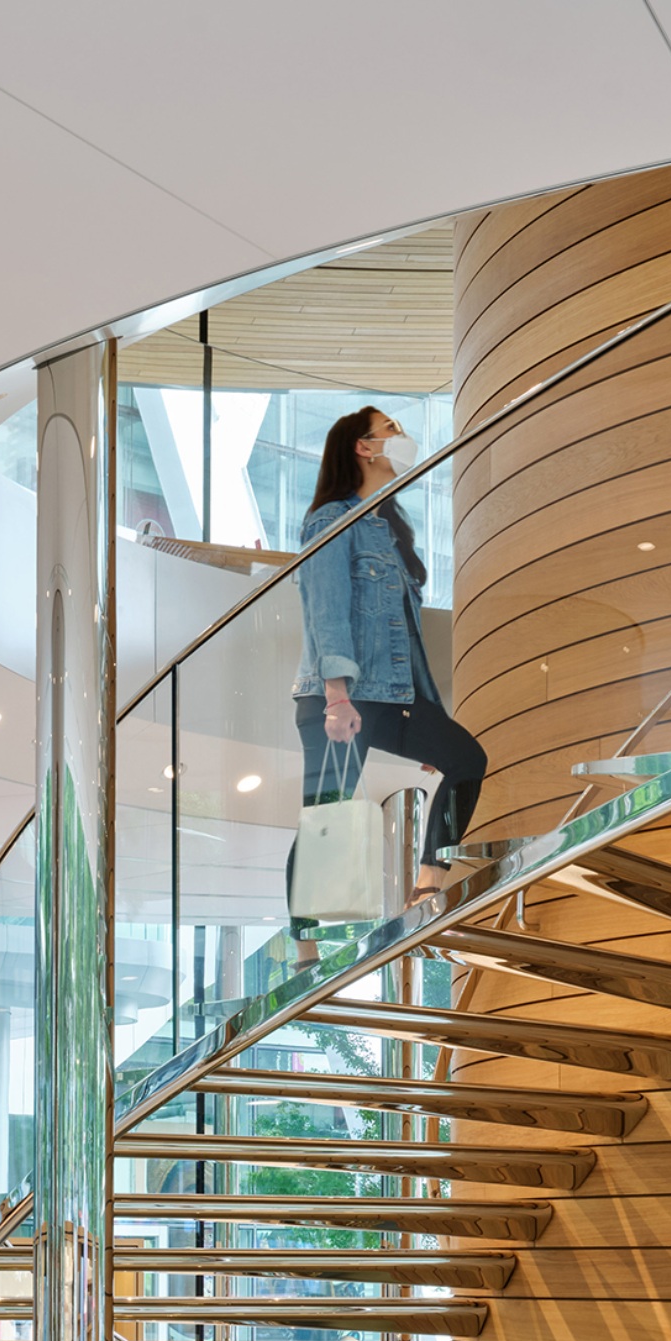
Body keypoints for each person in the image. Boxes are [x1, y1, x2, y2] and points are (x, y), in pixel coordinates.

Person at [291, 405, 487, 947]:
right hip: (342, 695)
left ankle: (428, 885)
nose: (402, 439)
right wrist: (336, 696)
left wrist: (429, 717)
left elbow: (408, 639)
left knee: (466, 761)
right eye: (391, 430)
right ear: (364, 447)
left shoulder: (388, 532)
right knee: (327, 814)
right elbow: (325, 612)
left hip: (394, 695)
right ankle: (303, 944)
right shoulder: (332, 520)